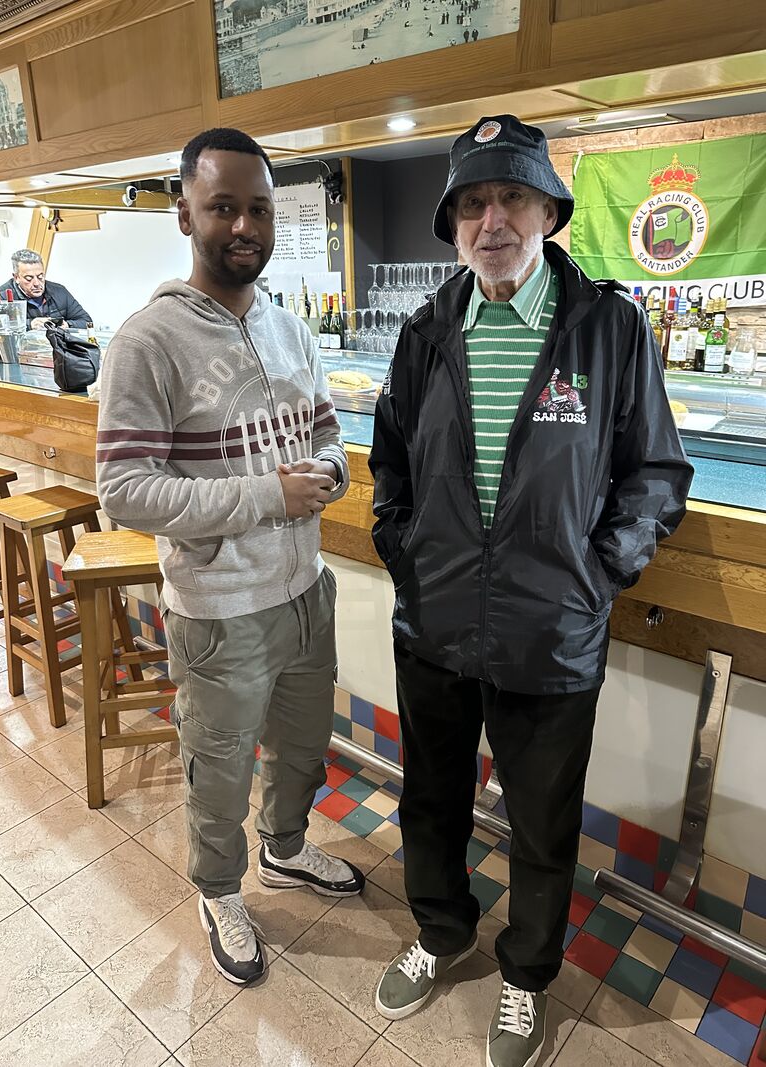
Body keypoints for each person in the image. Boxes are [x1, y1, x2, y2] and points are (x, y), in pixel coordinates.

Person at [369, 114, 693, 1067]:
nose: (492, 218)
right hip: (433, 623)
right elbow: (390, 466)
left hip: (553, 635)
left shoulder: (606, 325)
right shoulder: (426, 330)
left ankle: (525, 978)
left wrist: (598, 574)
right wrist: (408, 552)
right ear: (455, 225)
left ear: (548, 209)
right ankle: (439, 931)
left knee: (543, 823)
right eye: (472, 202)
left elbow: (656, 473)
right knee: (429, 800)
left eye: (511, 195)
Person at [96, 127, 364, 987]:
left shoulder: (290, 328)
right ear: (186, 213)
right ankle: (218, 890)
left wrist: (331, 466)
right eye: (222, 207)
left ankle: (285, 849)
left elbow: (329, 435)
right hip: (218, 607)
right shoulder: (148, 340)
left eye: (256, 208)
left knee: (302, 746)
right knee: (218, 763)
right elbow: (126, 490)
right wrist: (263, 498)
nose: (242, 224)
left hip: (304, 591)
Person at [0, 249, 92, 330]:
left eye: (40, 277)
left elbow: (86, 321)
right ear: (16, 277)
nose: (37, 283)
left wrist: (67, 325)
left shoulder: (59, 291)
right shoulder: (1, 297)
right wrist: (29, 325)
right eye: (29, 278)